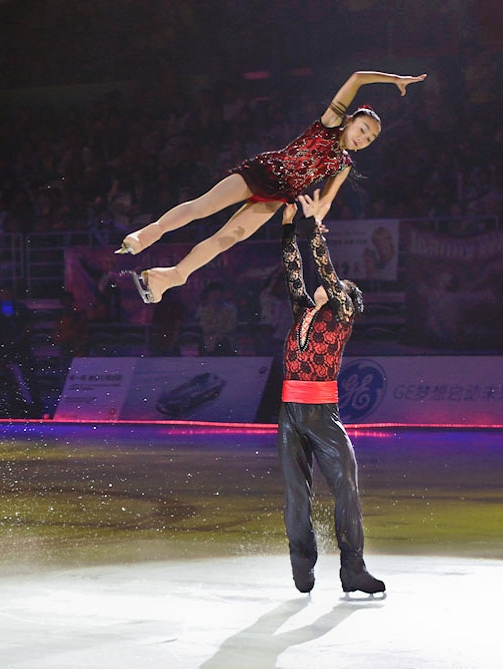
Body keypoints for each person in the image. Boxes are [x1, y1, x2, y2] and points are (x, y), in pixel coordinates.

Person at [117, 70, 426, 304]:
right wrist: (395, 79)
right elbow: (357, 77)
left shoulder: (343, 164)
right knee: (204, 206)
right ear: (350, 121)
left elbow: (326, 200)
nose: (363, 138)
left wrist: (317, 217)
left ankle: (171, 276)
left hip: (279, 196)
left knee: (227, 238)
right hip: (263, 171)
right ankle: (148, 234)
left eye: (370, 139)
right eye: (363, 129)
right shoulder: (330, 122)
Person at [276, 191, 383, 595]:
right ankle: (301, 563)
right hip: (290, 413)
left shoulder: (341, 316)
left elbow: (323, 266)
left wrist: (314, 229)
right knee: (296, 495)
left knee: (346, 488)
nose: (327, 285)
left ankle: (353, 568)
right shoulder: (303, 311)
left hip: (323, 413)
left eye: (338, 286)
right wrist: (289, 226)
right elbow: (294, 269)